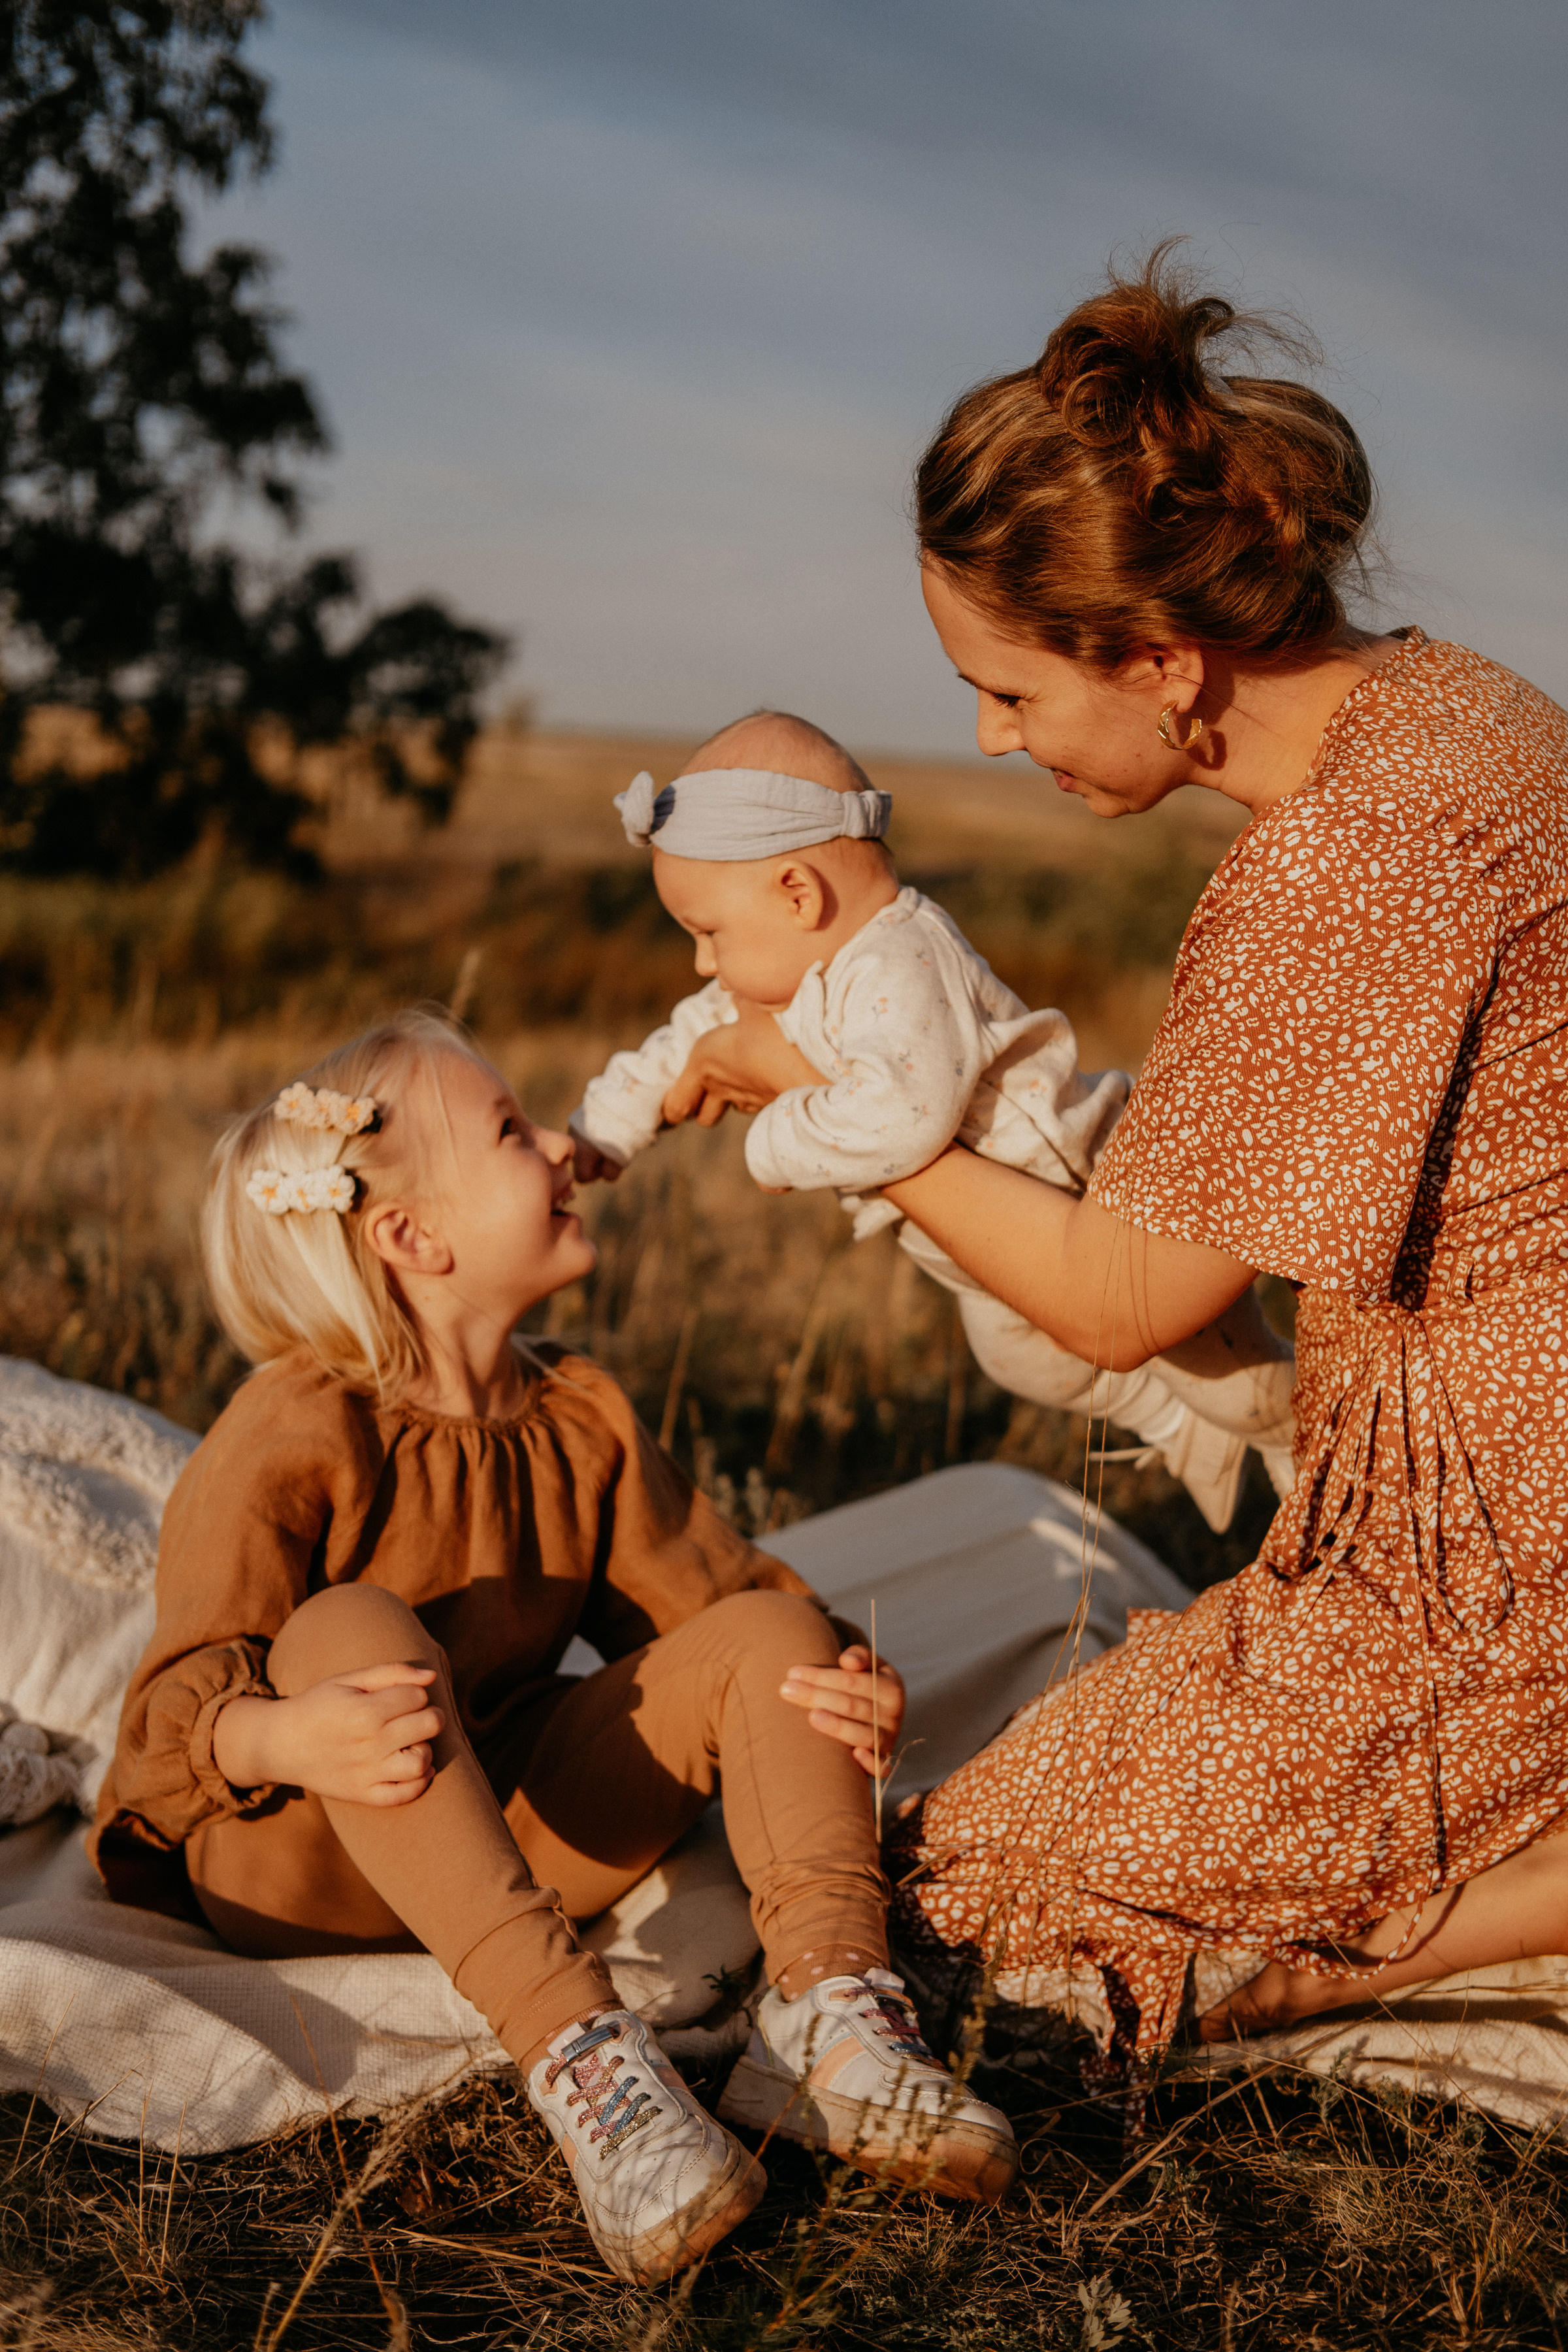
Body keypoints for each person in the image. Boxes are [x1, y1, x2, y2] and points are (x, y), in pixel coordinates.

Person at [657, 245, 1568, 2078]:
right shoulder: (1470, 706)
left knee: (984, 1895)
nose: (991, 740)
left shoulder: (1336, 867)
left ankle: (1392, 1934)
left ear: (1163, 660)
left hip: (1500, 1537)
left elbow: (1131, 1300)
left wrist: (844, 1115)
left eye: (1010, 691)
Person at [90, 1011, 1017, 2283]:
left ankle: (829, 2015)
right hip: (297, 1853)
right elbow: (173, 1704)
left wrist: (837, 1678)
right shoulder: (295, 1420)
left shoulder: (578, 1414)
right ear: (413, 1238)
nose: (565, 1146)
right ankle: (588, 2064)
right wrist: (286, 1731)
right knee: (352, 1629)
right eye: (513, 1130)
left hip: (510, 1826)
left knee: (774, 1631)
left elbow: (715, 1605)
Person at [568, 707, 1296, 1529]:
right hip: (989, 1237)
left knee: (1237, 1384)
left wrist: (775, 1132)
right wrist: (606, 1127)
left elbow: (903, 1121)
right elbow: (694, 1035)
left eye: (708, 934)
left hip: (1088, 1204)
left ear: (798, 894)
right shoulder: (792, 967)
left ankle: (1321, 1460)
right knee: (1020, 1358)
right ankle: (1181, 1429)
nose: (704, 963)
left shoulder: (900, 957)